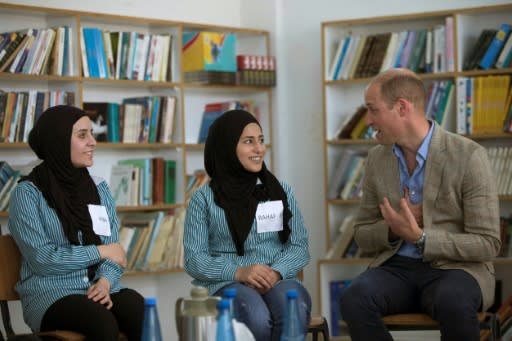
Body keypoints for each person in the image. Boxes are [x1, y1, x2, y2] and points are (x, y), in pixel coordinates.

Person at [339, 68, 501, 341]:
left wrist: (421, 237)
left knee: (454, 301)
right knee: (354, 298)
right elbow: (363, 233)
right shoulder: (377, 160)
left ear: (401, 108)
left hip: (455, 268)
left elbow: (487, 242)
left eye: (373, 110)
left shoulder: (469, 156)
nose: (368, 120)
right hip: (397, 268)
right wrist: (394, 229)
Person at [8, 105, 144, 340]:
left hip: (97, 287)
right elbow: (43, 260)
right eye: (82, 135)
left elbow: (116, 253)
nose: (92, 142)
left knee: (139, 310)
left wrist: (104, 282)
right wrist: (100, 251)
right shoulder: (27, 194)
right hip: (51, 294)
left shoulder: (100, 189)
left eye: (92, 133)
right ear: (57, 141)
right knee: (102, 324)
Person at [184, 109, 312, 341]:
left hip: (279, 278)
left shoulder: (280, 192)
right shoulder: (202, 200)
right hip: (228, 282)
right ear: (227, 147)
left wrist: (275, 273)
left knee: (293, 309)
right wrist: (239, 271)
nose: (259, 149)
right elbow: (194, 260)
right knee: (255, 317)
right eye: (249, 142)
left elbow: (299, 246)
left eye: (261, 140)